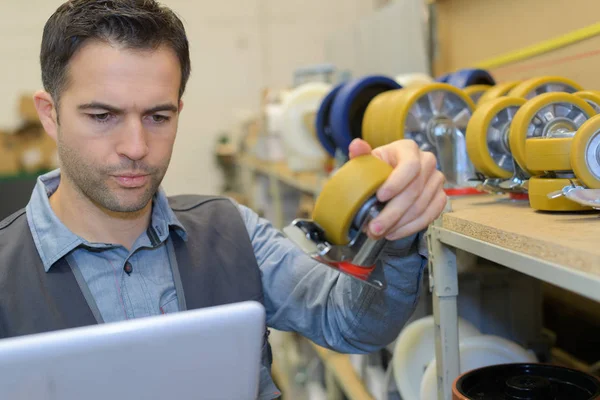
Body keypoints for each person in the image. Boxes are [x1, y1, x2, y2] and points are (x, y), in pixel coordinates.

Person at [0, 1, 447, 399]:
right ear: (50, 114)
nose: (136, 146)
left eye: (158, 116)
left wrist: (395, 227)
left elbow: (353, 323)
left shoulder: (233, 231)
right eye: (102, 116)